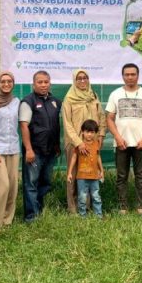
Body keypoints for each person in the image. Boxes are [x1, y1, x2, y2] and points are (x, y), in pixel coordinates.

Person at [106, 63, 142, 215]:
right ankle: (123, 207)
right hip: (121, 143)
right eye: (127, 74)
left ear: (138, 76)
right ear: (122, 76)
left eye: (133, 74)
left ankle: (140, 207)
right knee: (121, 177)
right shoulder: (115, 94)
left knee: (140, 177)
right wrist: (117, 137)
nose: (130, 77)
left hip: (141, 144)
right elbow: (109, 118)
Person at [62, 69, 106, 214]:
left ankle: (87, 207)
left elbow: (101, 117)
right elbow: (67, 123)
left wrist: (101, 136)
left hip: (92, 144)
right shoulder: (69, 99)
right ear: (74, 81)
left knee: (91, 173)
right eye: (79, 78)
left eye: (85, 78)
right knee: (74, 175)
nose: (82, 81)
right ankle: (74, 209)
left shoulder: (93, 96)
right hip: (75, 144)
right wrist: (78, 143)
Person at [20, 71, 62, 222]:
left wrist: (56, 145)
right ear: (33, 84)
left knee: (45, 183)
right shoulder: (28, 101)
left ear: (50, 83)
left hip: (50, 151)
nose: (43, 85)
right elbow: (24, 126)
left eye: (46, 82)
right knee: (31, 184)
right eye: (40, 82)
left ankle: (40, 210)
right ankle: (31, 217)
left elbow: (56, 126)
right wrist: (29, 150)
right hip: (35, 151)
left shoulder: (55, 101)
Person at [0, 71, 21, 229]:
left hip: (14, 148)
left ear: (13, 83)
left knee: (13, 186)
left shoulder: (16, 102)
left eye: (9, 81)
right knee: (2, 186)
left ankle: (8, 219)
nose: (6, 84)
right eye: (3, 81)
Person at [66, 119, 104, 218]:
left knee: (96, 196)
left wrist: (102, 170)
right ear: (82, 132)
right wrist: (69, 173)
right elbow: (74, 158)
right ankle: (83, 216)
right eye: (87, 132)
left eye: (92, 132)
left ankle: (99, 215)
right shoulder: (79, 145)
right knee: (82, 197)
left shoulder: (96, 144)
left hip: (94, 177)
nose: (89, 135)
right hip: (82, 177)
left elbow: (98, 157)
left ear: (95, 133)